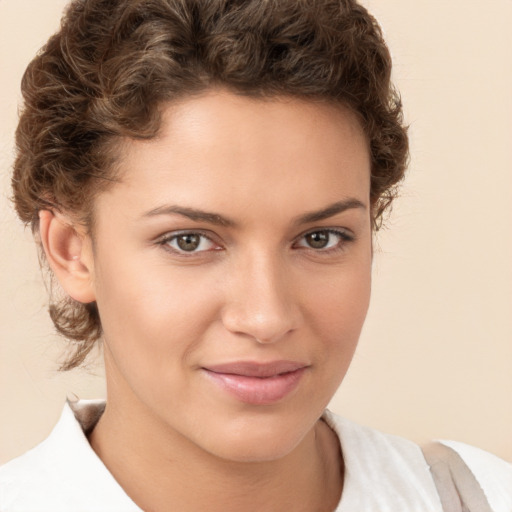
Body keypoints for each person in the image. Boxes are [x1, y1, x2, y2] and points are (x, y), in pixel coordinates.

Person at [0, 0, 511, 510]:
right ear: (72, 251)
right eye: (189, 241)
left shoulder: (482, 496)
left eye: (320, 238)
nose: (266, 318)